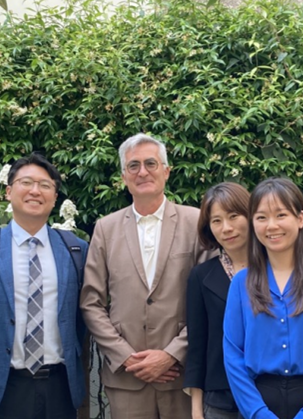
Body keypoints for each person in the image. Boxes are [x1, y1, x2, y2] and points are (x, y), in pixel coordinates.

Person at [80, 133, 212, 419]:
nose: (142, 172)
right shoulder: (105, 228)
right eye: (133, 166)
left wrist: (172, 354)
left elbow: (210, 301)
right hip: (127, 379)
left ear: (166, 171)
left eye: (151, 163)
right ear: (123, 177)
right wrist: (126, 357)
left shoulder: (195, 222)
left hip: (182, 377)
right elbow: (91, 302)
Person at [0, 154, 88, 419]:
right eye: (26, 182)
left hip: (59, 387)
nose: (35, 191)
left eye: (45, 185)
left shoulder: (75, 250)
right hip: (3, 388)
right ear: (8, 192)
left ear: (55, 197)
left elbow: (80, 320)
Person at [223, 177, 303, 419]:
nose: (271, 226)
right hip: (259, 403)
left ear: (300, 219)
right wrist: (258, 413)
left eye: (281, 215)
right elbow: (232, 354)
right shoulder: (242, 282)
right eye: (262, 217)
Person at [184, 182, 250, 419]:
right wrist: (196, 410)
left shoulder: (276, 270)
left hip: (270, 394)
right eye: (216, 221)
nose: (226, 228)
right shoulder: (201, 276)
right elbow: (197, 347)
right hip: (220, 399)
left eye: (234, 216)